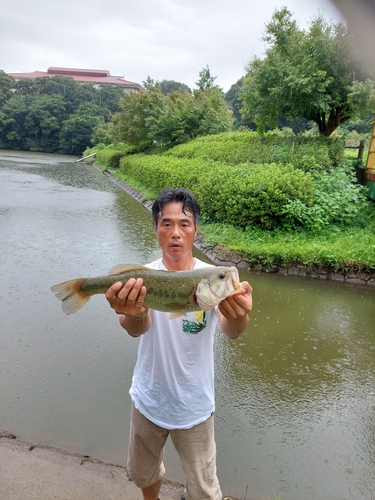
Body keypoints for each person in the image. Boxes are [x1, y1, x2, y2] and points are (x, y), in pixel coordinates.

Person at [105, 187, 253, 500]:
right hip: (148, 400)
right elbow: (136, 328)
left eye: (184, 224)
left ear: (195, 231)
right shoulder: (142, 277)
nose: (176, 233)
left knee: (203, 489)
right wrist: (132, 313)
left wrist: (239, 315)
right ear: (156, 229)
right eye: (167, 224)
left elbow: (232, 329)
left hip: (195, 407)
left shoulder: (211, 278)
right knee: (143, 473)